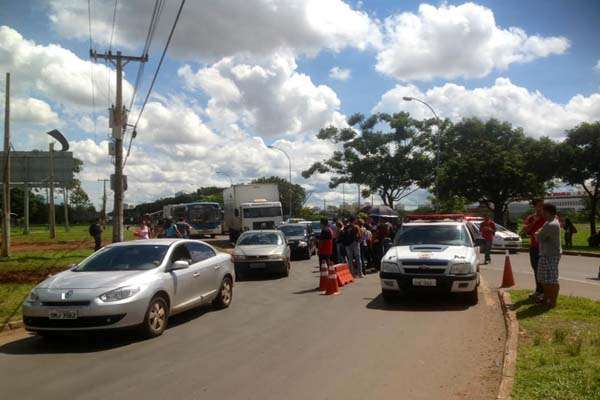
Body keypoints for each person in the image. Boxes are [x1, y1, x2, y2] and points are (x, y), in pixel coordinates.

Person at [535, 204, 562, 308]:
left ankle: (553, 302)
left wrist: (539, 234)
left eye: (543, 212)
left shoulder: (552, 225)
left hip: (551, 255)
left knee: (552, 279)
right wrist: (539, 234)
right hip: (545, 254)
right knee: (542, 278)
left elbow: (538, 237)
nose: (541, 214)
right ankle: (546, 299)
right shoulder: (548, 222)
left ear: (548, 212)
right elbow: (538, 234)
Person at [522, 199, 546, 299]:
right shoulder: (531, 218)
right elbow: (525, 231)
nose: (541, 208)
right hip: (534, 247)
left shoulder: (548, 216)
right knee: (536, 269)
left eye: (543, 205)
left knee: (544, 270)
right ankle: (538, 290)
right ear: (535, 207)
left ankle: (545, 292)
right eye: (539, 206)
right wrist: (534, 221)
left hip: (545, 248)